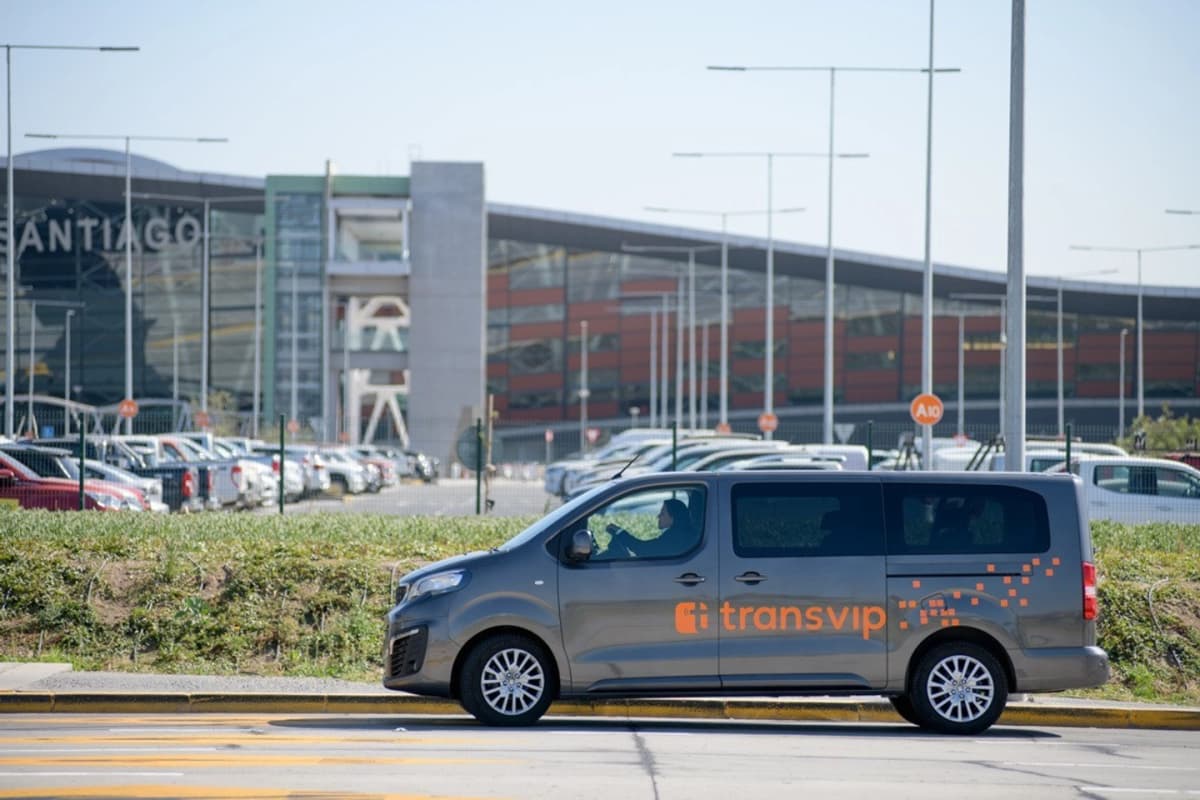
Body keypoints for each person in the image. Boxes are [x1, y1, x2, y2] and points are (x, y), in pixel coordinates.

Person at [606, 498, 697, 559]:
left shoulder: (675, 537)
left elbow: (643, 549)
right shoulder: (679, 534)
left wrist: (619, 531)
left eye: (662, 513)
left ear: (673, 518)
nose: (658, 516)